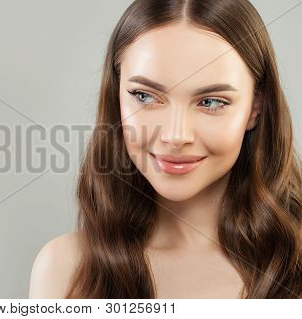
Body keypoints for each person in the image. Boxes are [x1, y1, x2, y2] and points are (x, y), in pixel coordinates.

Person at [29, 0, 301, 299]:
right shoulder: (65, 268)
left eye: (211, 102)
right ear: (116, 96)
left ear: (255, 108)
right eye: (145, 96)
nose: (175, 136)